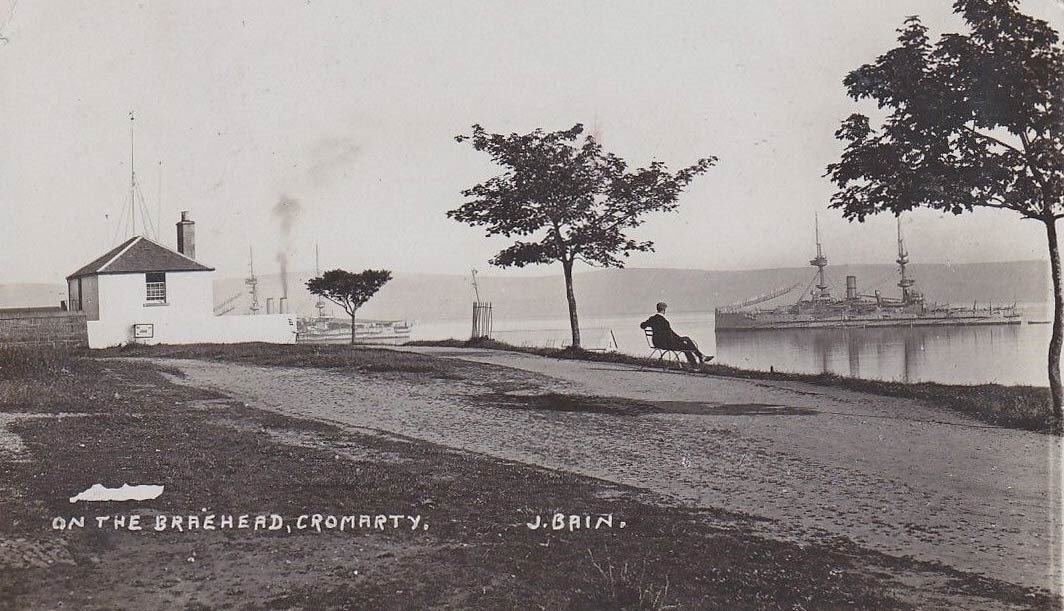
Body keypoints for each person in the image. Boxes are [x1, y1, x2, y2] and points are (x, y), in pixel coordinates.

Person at [640, 302, 712, 366]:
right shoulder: (665, 322)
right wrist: (679, 340)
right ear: (664, 310)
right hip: (666, 344)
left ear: (657, 309)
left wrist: (651, 325)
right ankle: (696, 364)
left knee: (686, 339)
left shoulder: (652, 319)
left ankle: (701, 357)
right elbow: (670, 335)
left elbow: (642, 325)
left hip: (656, 342)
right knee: (686, 346)